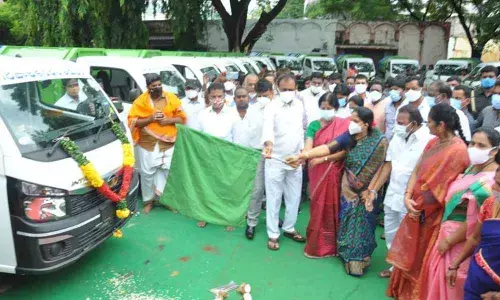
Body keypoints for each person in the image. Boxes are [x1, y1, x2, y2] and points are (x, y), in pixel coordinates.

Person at [286, 107, 388, 276]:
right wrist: (302, 156)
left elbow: (383, 166)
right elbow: (327, 148)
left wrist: (371, 190)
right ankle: (348, 254)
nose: (351, 123)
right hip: (349, 186)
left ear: (366, 125)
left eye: (355, 121)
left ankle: (361, 257)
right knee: (348, 220)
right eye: (351, 119)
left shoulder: (379, 140)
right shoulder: (349, 136)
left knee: (365, 223)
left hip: (370, 190)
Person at [387, 103, 470, 299]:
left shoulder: (457, 151)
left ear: (441, 125)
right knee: (411, 252)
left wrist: (417, 205)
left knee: (423, 255)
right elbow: (417, 168)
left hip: (433, 214)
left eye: (430, 122)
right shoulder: (433, 142)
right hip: (416, 206)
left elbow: (441, 188)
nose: (427, 126)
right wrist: (407, 196)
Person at [425, 128, 499, 300]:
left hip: (459, 242)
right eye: (472, 143)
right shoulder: (472, 168)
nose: (474, 147)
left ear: (494, 150)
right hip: (446, 234)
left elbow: (477, 222)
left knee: (451, 289)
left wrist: (450, 241)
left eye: (481, 145)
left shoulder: (490, 182)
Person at [364, 105, 433, 278]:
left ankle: (407, 269)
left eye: (401, 122)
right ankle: (395, 266)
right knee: (391, 230)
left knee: (409, 233)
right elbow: (388, 165)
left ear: (414, 123)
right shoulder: (397, 137)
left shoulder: (428, 140)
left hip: (413, 197)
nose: (397, 125)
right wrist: (373, 190)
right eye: (396, 121)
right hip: (393, 192)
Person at [128, 73, 187, 214]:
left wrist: (168, 120)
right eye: (154, 86)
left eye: (159, 84)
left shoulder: (171, 98)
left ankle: (166, 200)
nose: (158, 87)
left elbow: (182, 118)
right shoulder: (140, 101)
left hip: (168, 141)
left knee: (167, 171)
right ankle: (149, 201)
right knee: (147, 173)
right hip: (148, 143)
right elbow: (133, 122)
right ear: (148, 87)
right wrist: (150, 118)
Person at [261, 74, 307, 251]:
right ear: (277, 89)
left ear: (296, 89)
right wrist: (269, 145)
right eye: (284, 89)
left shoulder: (299, 105)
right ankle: (273, 234)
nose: (288, 92)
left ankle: (289, 227)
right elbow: (268, 128)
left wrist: (302, 152)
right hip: (275, 158)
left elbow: (301, 129)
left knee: (294, 196)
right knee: (274, 198)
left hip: (295, 159)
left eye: (291, 89)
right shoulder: (271, 106)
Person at [302, 92, 350, 258]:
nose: (325, 111)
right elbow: (308, 145)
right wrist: (303, 156)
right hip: (316, 169)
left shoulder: (343, 125)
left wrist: (325, 158)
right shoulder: (314, 125)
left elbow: (344, 151)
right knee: (317, 204)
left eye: (329, 108)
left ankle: (331, 245)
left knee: (332, 205)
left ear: (336, 108)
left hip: (334, 169)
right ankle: (316, 244)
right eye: (323, 108)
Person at [446, 166, 500, 299]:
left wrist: (496, 296)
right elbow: (475, 238)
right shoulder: (490, 204)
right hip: (476, 278)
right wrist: (454, 265)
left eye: (499, 185)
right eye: (495, 180)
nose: (493, 188)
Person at [244, 79, 275, 240]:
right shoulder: (253, 109)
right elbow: (249, 134)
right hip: (259, 153)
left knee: (274, 191)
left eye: (266, 95)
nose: (263, 98)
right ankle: (251, 222)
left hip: (277, 154)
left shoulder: (279, 107)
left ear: (272, 92)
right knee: (257, 190)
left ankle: (274, 220)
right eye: (260, 95)